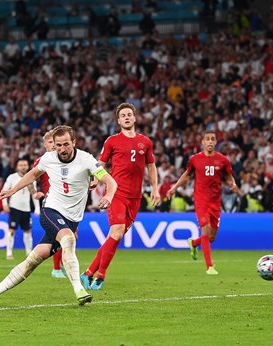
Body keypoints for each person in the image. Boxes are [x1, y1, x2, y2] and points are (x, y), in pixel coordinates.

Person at [0, 125, 117, 307]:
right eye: (58, 145)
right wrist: (13, 189)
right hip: (51, 210)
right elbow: (33, 174)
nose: (62, 149)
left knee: (33, 260)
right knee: (68, 239)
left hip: (72, 218)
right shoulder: (48, 158)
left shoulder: (86, 160)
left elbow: (110, 181)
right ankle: (79, 290)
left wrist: (108, 195)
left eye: (66, 144)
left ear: (73, 142)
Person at [81, 103, 161, 290]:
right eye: (123, 115)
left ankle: (88, 273)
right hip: (116, 193)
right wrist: (95, 179)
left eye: (129, 114)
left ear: (134, 118)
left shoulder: (146, 142)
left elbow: (151, 166)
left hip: (135, 197)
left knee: (114, 237)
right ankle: (101, 275)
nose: (126, 117)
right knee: (116, 232)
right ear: (118, 120)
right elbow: (100, 163)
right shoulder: (112, 141)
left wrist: (155, 188)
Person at [166, 130, 240, 275]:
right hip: (200, 200)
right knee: (205, 230)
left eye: (213, 139)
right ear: (203, 142)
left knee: (212, 237)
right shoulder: (195, 159)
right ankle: (209, 267)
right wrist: (174, 187)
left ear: (216, 142)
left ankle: (193, 243)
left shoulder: (223, 160)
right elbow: (187, 175)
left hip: (215, 202)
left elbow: (229, 176)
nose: (210, 141)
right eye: (207, 139)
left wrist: (233, 184)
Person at [33, 129, 67, 278]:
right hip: (52, 204)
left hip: (66, 202)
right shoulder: (41, 161)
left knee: (65, 237)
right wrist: (35, 192)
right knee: (64, 236)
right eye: (50, 142)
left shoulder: (64, 159)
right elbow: (31, 178)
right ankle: (57, 268)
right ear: (45, 145)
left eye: (55, 142)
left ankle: (62, 266)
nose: (54, 145)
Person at [2, 157, 39, 260]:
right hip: (14, 208)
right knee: (12, 230)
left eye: (25, 165)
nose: (23, 167)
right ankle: (9, 253)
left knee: (27, 231)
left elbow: (34, 194)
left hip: (26, 209)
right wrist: (4, 204)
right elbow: (4, 190)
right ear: (17, 167)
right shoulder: (12, 177)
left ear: (28, 166)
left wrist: (37, 208)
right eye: (21, 165)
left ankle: (29, 253)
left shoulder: (31, 178)